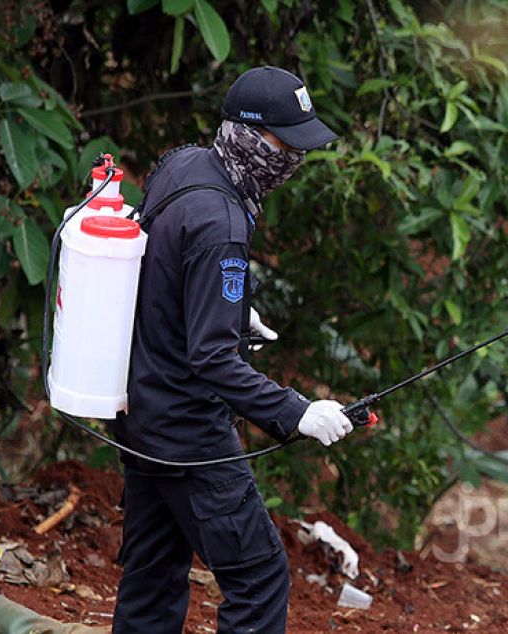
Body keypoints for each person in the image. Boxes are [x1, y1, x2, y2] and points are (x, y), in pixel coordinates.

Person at [111, 66, 353, 633]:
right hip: (190, 436)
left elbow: (162, 269)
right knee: (260, 578)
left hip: (142, 415)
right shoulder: (222, 221)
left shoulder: (183, 165)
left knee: (152, 576)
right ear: (250, 134)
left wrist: (233, 310)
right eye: (285, 144)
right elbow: (213, 359)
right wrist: (298, 413)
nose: (294, 159)